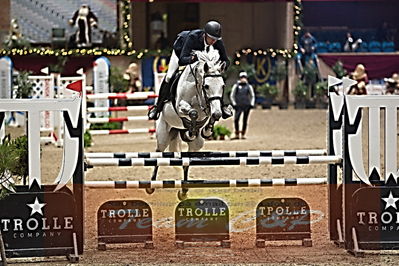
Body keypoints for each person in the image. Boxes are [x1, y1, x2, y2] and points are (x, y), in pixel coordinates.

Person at [148, 20, 230, 120]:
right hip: (181, 53)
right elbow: (182, 60)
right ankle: (157, 107)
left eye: (215, 39)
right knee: (169, 76)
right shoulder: (193, 37)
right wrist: (194, 58)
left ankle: (223, 105)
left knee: (217, 80)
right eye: (211, 38)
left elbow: (226, 59)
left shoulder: (217, 41)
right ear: (205, 34)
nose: (213, 41)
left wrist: (224, 65)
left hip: (200, 56)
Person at [229, 72, 255, 140]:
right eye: (242, 77)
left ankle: (243, 134)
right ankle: (237, 133)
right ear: (240, 78)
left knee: (245, 120)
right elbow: (232, 95)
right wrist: (234, 103)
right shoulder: (236, 86)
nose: (243, 79)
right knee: (236, 119)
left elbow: (252, 95)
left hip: (246, 105)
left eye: (244, 77)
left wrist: (251, 104)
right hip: (238, 105)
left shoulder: (249, 86)